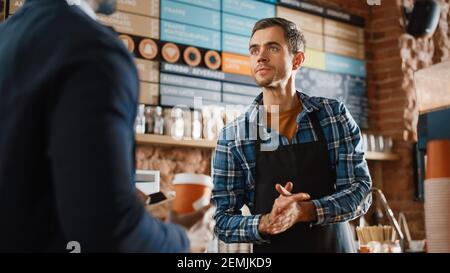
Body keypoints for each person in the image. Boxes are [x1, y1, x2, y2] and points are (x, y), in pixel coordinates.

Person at [0, 0, 210, 252]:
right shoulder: (93, 50)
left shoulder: (8, 35)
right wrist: (183, 241)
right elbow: (110, 230)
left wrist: (161, 226)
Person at [212, 17, 372, 253]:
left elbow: (360, 190)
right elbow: (221, 220)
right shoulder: (233, 135)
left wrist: (304, 211)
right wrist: (266, 222)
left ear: (297, 60)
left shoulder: (332, 115)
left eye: (272, 47)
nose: (261, 56)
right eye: (254, 50)